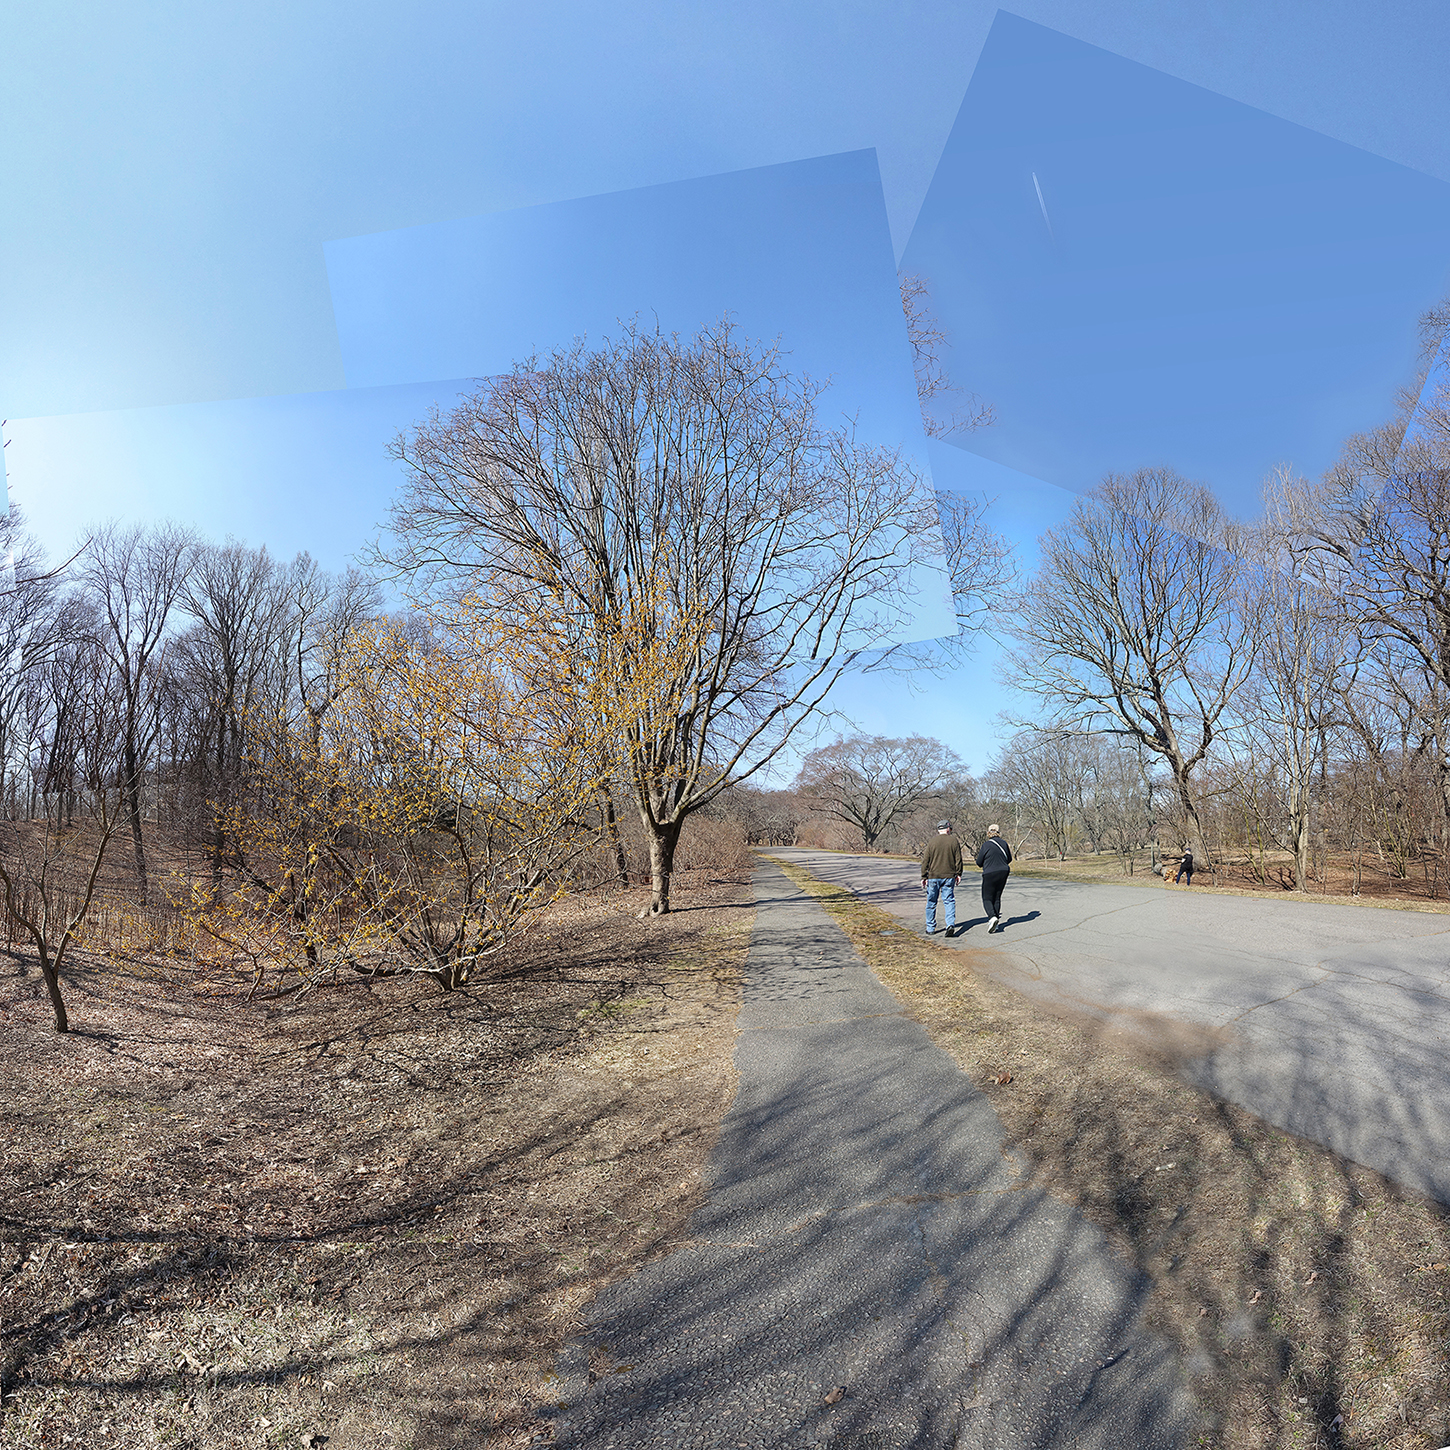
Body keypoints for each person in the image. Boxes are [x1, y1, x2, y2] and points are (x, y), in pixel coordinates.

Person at [920, 820, 963, 936]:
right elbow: (958, 860)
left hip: (933, 876)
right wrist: (958, 874)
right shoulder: (954, 841)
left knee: (931, 902)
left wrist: (924, 876)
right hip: (949, 876)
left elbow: (926, 861)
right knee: (948, 900)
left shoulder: (932, 842)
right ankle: (950, 924)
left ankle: (930, 928)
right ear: (948, 829)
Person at [975, 824, 1013, 932]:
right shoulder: (1004, 843)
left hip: (990, 873)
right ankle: (995, 924)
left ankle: (992, 917)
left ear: (988, 833)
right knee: (997, 897)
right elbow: (1009, 859)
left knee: (987, 897)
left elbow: (979, 862)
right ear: (999, 832)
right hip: (1003, 871)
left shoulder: (986, 845)